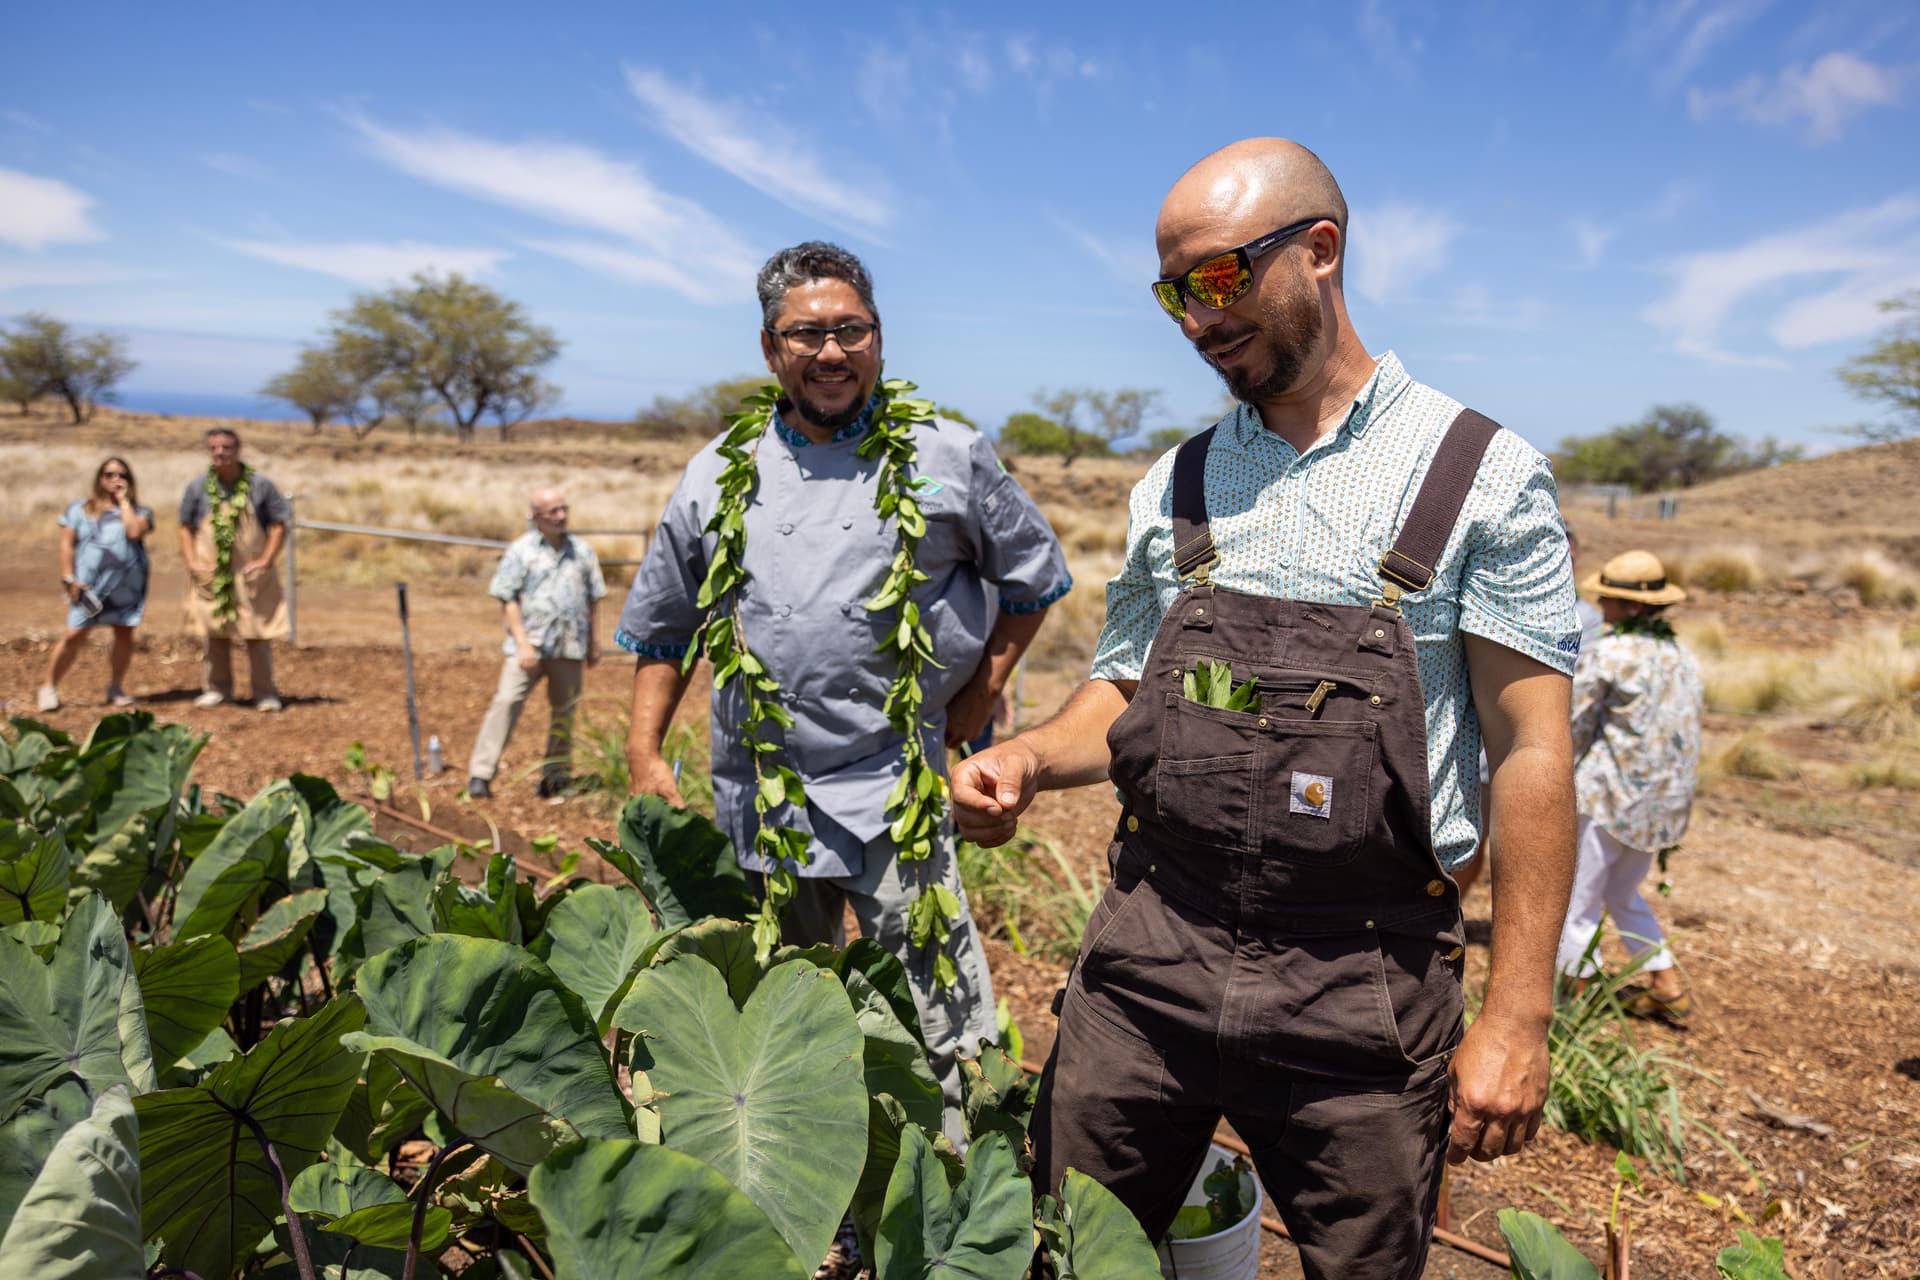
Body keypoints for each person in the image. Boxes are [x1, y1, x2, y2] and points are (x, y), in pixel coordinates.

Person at [950, 139, 1581, 1279]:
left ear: (1320, 251)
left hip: (1366, 977)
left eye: (1219, 279)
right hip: (1153, 946)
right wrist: (1033, 759)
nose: (1195, 319)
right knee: (1071, 1254)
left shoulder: (1480, 474)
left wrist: (1518, 1010)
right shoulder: (1179, 483)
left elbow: (1533, 747)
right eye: (1172, 293)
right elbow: (1126, 686)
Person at [618, 241, 1071, 1133]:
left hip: (898, 782)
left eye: (850, 330)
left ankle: (964, 1175)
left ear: (879, 338)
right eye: (808, 334)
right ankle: (834, 1188)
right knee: (796, 1005)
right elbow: (663, 628)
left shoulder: (951, 453)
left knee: (941, 1004)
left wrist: (978, 700)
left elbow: (1032, 582)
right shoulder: (716, 474)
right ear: (769, 349)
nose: (832, 353)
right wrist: (643, 752)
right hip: (766, 793)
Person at [1557, 549, 1703, 1023]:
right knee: (1622, 892)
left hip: (1610, 797)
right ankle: (1666, 983)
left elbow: (1574, 723)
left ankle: (1570, 1003)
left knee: (1577, 901)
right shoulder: (1682, 655)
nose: (1602, 604)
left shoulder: (1610, 654)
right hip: (1663, 804)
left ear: (1634, 608)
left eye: (1611, 600)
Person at [466, 488, 606, 799]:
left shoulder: (583, 551)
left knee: (564, 712)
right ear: (536, 516)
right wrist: (523, 643)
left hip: (569, 647)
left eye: (564, 509)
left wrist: (595, 643)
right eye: (553, 511)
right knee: (506, 703)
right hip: (528, 645)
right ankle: (481, 774)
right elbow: (507, 598)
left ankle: (554, 777)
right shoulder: (521, 550)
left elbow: (594, 599)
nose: (561, 516)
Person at [179, 428, 291, 711]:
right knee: (214, 632)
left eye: (226, 447)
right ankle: (217, 689)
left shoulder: (260, 486)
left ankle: (265, 692)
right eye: (214, 447)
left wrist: (266, 559)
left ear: (237, 449)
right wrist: (192, 561)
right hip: (211, 571)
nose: (220, 453)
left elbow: (279, 525)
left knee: (257, 632)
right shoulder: (198, 487)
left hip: (249, 571)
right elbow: (186, 526)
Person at [38, 457, 154, 712]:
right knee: (74, 633)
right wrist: (68, 577)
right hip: (88, 588)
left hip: (126, 588)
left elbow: (134, 532)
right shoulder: (79, 510)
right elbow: (67, 545)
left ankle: (116, 687)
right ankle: (49, 686)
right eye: (110, 474)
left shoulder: (141, 512)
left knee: (123, 633)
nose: (116, 479)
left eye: (122, 475)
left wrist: (124, 502)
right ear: (100, 478)